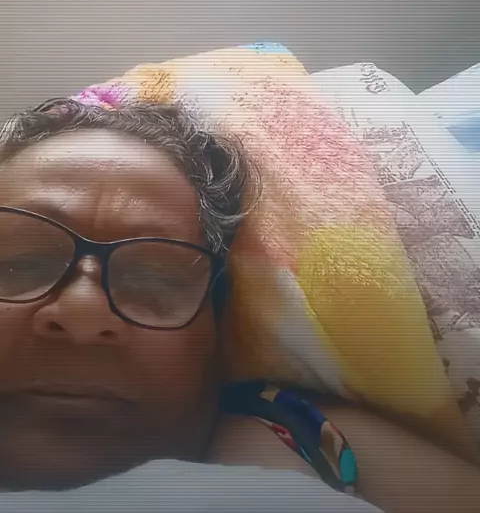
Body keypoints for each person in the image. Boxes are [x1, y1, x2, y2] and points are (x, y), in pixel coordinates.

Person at [0, 97, 479, 513]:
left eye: (154, 279)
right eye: (23, 262)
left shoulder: (309, 433)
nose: (83, 313)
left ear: (217, 326)